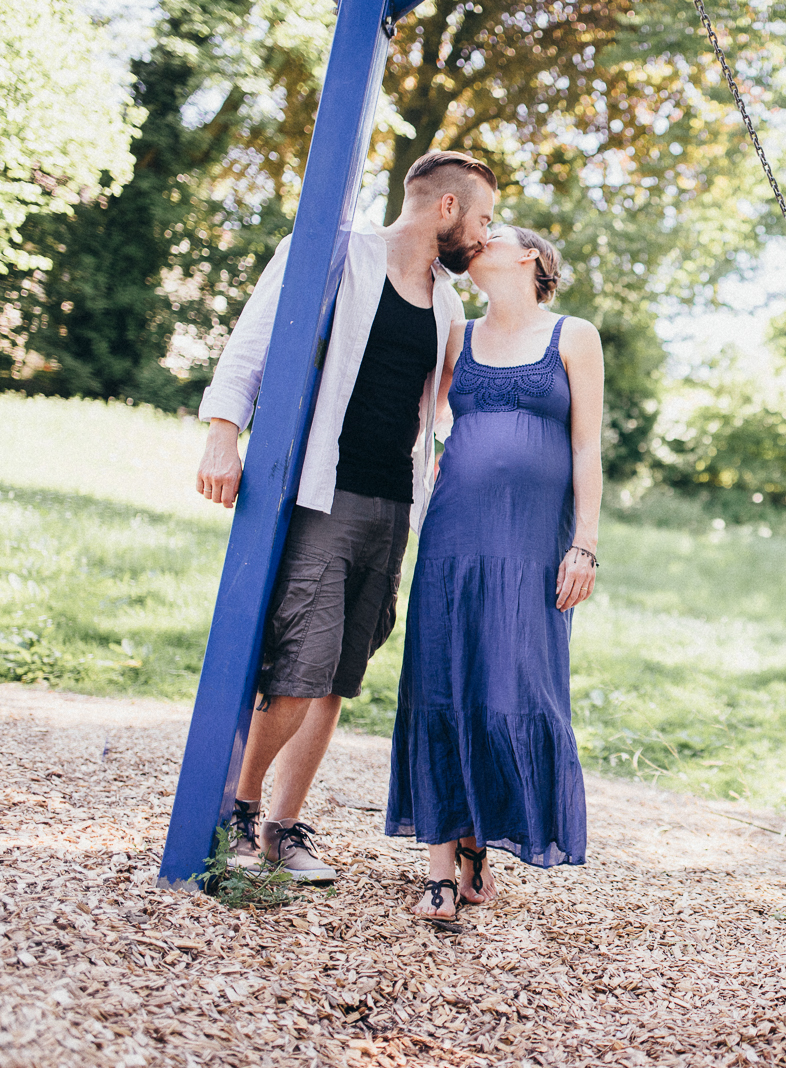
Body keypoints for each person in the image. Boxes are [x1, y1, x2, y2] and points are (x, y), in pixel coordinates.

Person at [195, 151, 499, 882]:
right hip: (323, 494)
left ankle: (283, 826)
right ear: (447, 209)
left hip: (395, 505)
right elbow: (253, 343)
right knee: (301, 665)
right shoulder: (332, 255)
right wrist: (221, 433)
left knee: (338, 675)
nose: (486, 236)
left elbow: (460, 401)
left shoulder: (449, 302)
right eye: (483, 218)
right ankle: (232, 807)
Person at [384, 224, 602, 919]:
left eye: (494, 234)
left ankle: (480, 840)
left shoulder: (574, 336)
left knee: (514, 682)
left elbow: (588, 444)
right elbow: (433, 420)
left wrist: (586, 544)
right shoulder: (460, 335)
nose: (477, 240)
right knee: (442, 677)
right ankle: (441, 870)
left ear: (530, 256)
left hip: (535, 544)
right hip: (453, 535)